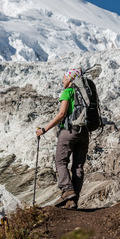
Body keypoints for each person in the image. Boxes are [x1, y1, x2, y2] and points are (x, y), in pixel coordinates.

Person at [35, 68, 89, 209]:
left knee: (60, 162)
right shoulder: (86, 93)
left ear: (71, 79)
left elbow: (61, 114)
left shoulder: (68, 92)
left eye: (64, 77)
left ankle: (67, 190)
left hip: (69, 131)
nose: (62, 80)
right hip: (84, 133)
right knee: (78, 166)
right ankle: (73, 200)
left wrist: (44, 130)